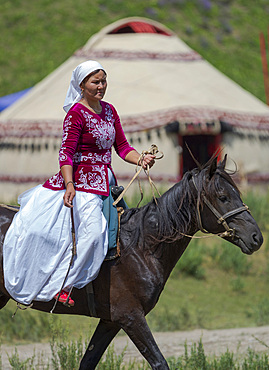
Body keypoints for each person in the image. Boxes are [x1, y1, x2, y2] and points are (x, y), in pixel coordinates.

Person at [3, 60, 155, 307]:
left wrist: (141, 159)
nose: (101, 86)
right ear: (82, 85)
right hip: (82, 184)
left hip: (107, 183)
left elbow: (123, 147)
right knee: (93, 234)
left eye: (104, 81)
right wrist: (70, 184)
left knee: (124, 238)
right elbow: (66, 152)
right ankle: (63, 285)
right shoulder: (76, 114)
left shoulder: (110, 111)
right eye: (96, 82)